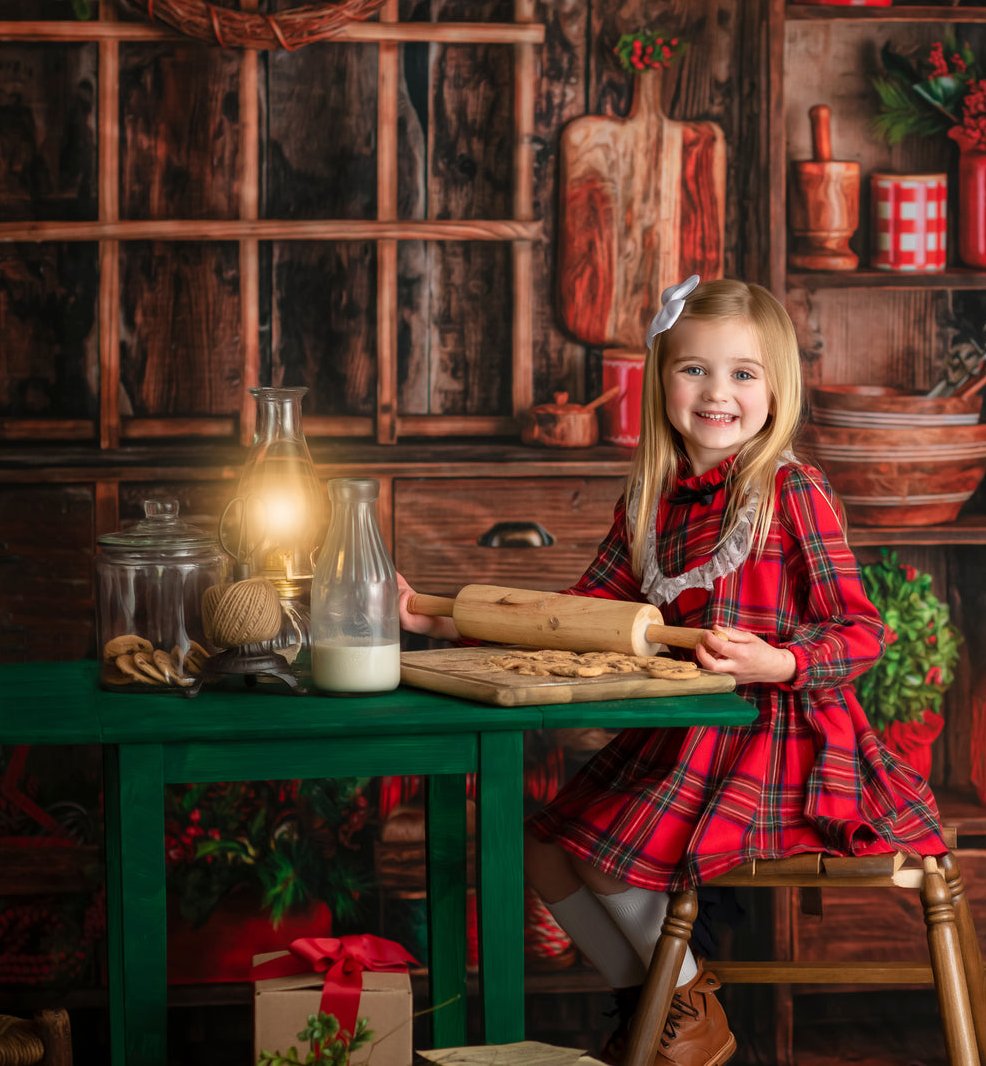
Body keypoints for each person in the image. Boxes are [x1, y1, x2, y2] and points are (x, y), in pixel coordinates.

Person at [398, 277, 947, 1066]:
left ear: (775, 388)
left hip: (774, 734)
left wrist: (780, 658)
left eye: (742, 373)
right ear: (660, 379)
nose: (716, 392)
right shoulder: (648, 502)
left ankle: (675, 1017)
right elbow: (579, 615)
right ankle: (669, 1011)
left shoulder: (791, 492)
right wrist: (439, 615)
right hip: (679, 732)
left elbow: (863, 632)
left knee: (601, 846)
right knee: (542, 847)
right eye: (694, 369)